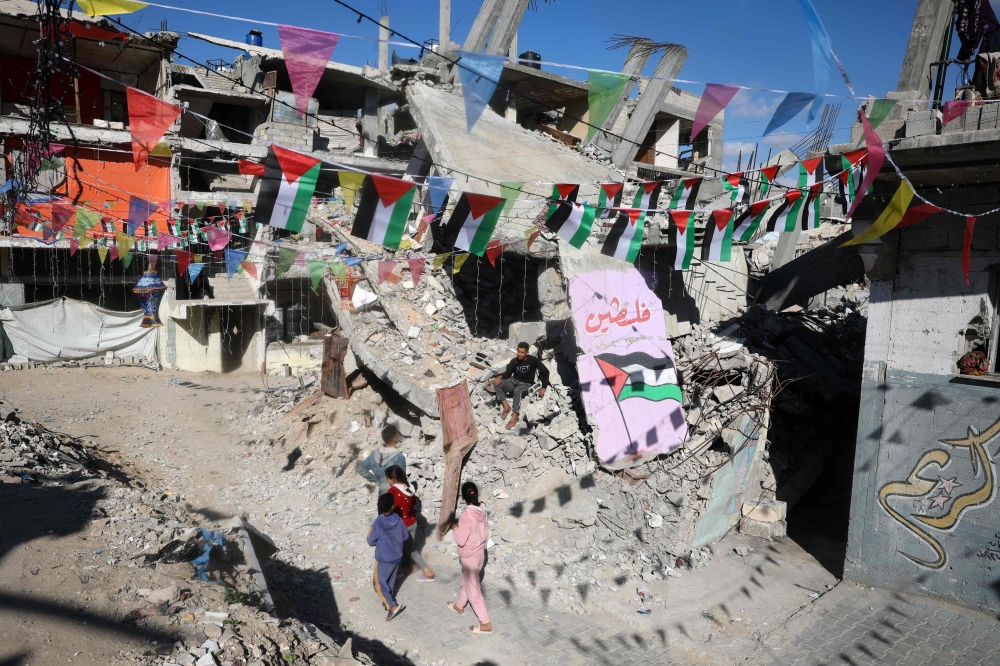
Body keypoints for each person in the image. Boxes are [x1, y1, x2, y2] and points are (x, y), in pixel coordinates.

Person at [446, 481, 492, 634]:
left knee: (474, 589)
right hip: (480, 554)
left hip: (470, 556)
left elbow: (461, 540)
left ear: (462, 497)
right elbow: (486, 534)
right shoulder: (482, 512)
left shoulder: (466, 517)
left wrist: (455, 528)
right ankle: (459, 606)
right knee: (467, 581)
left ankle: (485, 623)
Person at [385, 465, 435, 581]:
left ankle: (428, 573)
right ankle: (407, 568)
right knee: (407, 547)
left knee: (408, 549)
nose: (388, 481)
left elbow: (389, 510)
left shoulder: (392, 491)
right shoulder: (410, 488)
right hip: (412, 522)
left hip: (401, 525)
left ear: (394, 479)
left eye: (388, 479)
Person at [366, 492, 409, 621]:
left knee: (378, 584)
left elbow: (370, 540)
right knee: (389, 581)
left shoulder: (378, 522)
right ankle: (388, 602)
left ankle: (392, 606)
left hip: (384, 559)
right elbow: (405, 536)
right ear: (393, 506)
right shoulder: (398, 520)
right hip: (396, 557)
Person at [492, 342, 550, 430]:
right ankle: (506, 406)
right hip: (513, 381)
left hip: (526, 384)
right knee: (495, 383)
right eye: (518, 351)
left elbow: (545, 372)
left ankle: (515, 415)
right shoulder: (514, 361)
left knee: (517, 390)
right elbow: (508, 373)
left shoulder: (533, 360)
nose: (519, 354)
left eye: (522, 352)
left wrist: (543, 387)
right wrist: (500, 377)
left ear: (527, 353)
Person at [357, 423, 406, 494]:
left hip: (382, 494)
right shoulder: (399, 457)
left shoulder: (374, 453)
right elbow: (402, 481)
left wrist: (375, 480)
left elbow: (360, 468)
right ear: (395, 438)